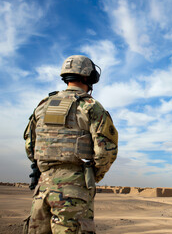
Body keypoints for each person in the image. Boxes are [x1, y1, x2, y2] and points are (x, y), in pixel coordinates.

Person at [23, 55, 118, 233]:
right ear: (88, 77)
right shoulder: (90, 106)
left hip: (42, 190)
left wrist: (46, 170)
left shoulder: (43, 105)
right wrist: (90, 177)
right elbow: (106, 151)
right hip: (74, 192)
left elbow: (30, 146)